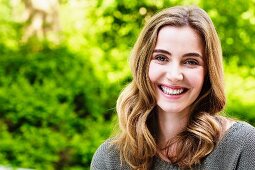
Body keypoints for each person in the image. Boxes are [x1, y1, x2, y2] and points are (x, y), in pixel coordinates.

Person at [90, 5, 255, 170]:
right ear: (143, 65)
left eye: (191, 62)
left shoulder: (242, 146)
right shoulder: (109, 159)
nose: (174, 75)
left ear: (208, 73)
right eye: (161, 58)